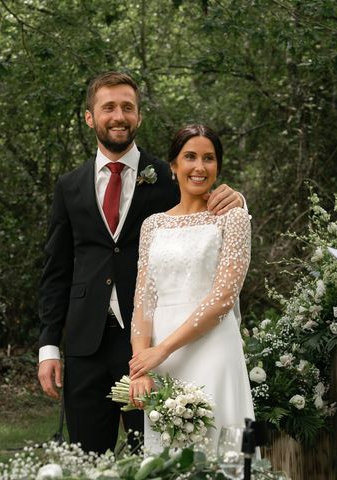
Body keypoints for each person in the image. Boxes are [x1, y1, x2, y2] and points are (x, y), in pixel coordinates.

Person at [37, 72, 244, 454]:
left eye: (127, 107)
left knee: (153, 453)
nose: (119, 116)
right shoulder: (69, 186)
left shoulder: (171, 175)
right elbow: (57, 268)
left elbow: (205, 207)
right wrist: (49, 345)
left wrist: (235, 197)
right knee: (87, 457)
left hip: (153, 342)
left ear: (139, 117)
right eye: (109, 107)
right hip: (86, 342)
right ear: (89, 117)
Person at [127, 124, 255, 452]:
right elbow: (143, 301)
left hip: (214, 349)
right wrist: (141, 363)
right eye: (190, 157)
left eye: (209, 158)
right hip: (161, 359)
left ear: (218, 167)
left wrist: (163, 349)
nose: (199, 167)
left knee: (223, 452)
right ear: (173, 165)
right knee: (169, 457)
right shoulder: (152, 225)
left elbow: (224, 297)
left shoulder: (233, 218)